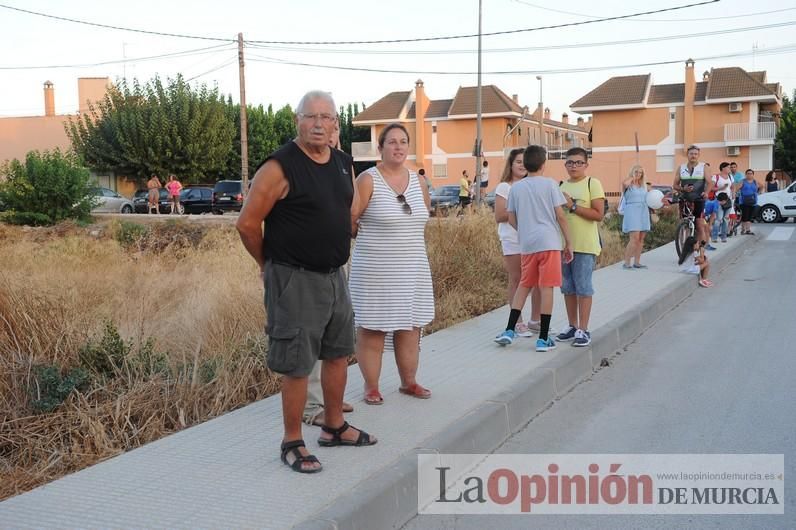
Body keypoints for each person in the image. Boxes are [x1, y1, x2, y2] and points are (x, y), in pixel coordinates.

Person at [236, 90, 376, 474]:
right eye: (310, 116)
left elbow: (346, 209)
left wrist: (345, 230)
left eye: (326, 117)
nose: (318, 123)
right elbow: (247, 224)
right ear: (297, 121)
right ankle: (292, 441)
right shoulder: (280, 167)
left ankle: (333, 426)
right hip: (293, 277)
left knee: (336, 353)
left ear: (335, 124)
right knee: (297, 364)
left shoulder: (343, 162)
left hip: (334, 276)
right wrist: (267, 264)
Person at [350, 123, 434, 405]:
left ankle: (409, 382)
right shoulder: (367, 179)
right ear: (381, 148)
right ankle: (371, 386)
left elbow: (421, 218)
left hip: (413, 268)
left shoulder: (419, 181)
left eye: (403, 142)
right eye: (392, 142)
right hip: (375, 270)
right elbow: (351, 220)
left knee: (410, 326)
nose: (398, 147)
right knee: (373, 328)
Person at [493, 145, 572, 352]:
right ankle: (543, 337)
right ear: (543, 165)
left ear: (525, 164)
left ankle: (510, 330)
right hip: (549, 243)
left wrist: (524, 231)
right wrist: (568, 243)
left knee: (524, 285)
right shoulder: (550, 185)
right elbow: (561, 216)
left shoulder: (516, 188)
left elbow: (510, 218)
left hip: (527, 245)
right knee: (546, 288)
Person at [302, 122, 354, 427]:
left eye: (335, 134)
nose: (331, 140)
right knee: (310, 335)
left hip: (336, 263)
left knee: (335, 337)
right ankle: (311, 407)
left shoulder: (342, 166)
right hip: (306, 268)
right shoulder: (299, 167)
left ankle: (330, 399)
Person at [555, 147, 604, 348]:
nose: (573, 166)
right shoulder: (559, 185)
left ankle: (584, 329)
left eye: (578, 162)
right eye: (570, 162)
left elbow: (598, 214)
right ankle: (572, 326)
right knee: (567, 287)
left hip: (584, 246)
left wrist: (572, 206)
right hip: (563, 245)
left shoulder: (593, 183)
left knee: (583, 287)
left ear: (586, 164)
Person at [493, 147, 541, 337]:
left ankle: (536, 320)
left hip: (534, 239)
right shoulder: (505, 187)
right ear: (511, 165)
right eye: (518, 162)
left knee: (537, 280)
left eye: (525, 161)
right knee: (518, 279)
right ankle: (517, 322)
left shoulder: (535, 185)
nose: (522, 165)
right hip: (513, 239)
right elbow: (499, 215)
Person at [672, 145, 713, 250]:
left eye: (695, 154)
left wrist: (706, 192)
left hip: (698, 199)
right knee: (684, 224)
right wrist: (683, 188)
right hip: (685, 199)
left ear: (698, 155)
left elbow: (710, 182)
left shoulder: (704, 167)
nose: (693, 156)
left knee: (699, 225)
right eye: (691, 154)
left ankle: (701, 250)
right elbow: (675, 185)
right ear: (687, 155)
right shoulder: (681, 168)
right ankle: (685, 247)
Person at [620, 165, 651, 269]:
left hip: (643, 211)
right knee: (634, 238)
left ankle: (637, 262)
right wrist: (633, 177)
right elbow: (624, 183)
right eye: (636, 172)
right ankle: (627, 262)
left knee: (641, 239)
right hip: (632, 211)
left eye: (640, 172)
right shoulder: (628, 184)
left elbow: (651, 197)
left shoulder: (644, 186)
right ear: (632, 172)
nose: (639, 174)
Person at [736, 169, 761, 235]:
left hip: (753, 201)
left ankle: (748, 230)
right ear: (745, 174)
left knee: (750, 216)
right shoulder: (742, 181)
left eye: (751, 173)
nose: (749, 175)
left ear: (753, 174)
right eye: (748, 173)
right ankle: (743, 230)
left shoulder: (755, 182)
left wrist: (758, 193)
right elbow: (736, 189)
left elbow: (762, 186)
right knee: (745, 216)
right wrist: (737, 195)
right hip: (744, 201)